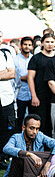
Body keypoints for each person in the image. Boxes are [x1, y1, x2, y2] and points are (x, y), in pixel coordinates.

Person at [28, 33, 55, 136]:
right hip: (40, 96)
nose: (49, 44)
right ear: (42, 43)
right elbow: (30, 78)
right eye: (47, 42)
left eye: (52, 42)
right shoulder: (36, 58)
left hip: (54, 97)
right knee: (41, 124)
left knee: (52, 123)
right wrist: (34, 96)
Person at [0, 39, 16, 170]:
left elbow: (11, 73)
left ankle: (2, 157)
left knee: (5, 128)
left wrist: (7, 72)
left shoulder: (6, 53)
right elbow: (6, 72)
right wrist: (3, 73)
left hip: (5, 98)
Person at [13, 36, 33, 132]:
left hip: (33, 94)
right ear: (21, 46)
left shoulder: (34, 59)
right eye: (25, 44)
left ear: (32, 46)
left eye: (29, 45)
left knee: (32, 118)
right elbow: (14, 75)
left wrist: (29, 77)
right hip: (20, 93)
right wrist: (28, 77)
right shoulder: (15, 59)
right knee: (19, 118)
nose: (27, 47)